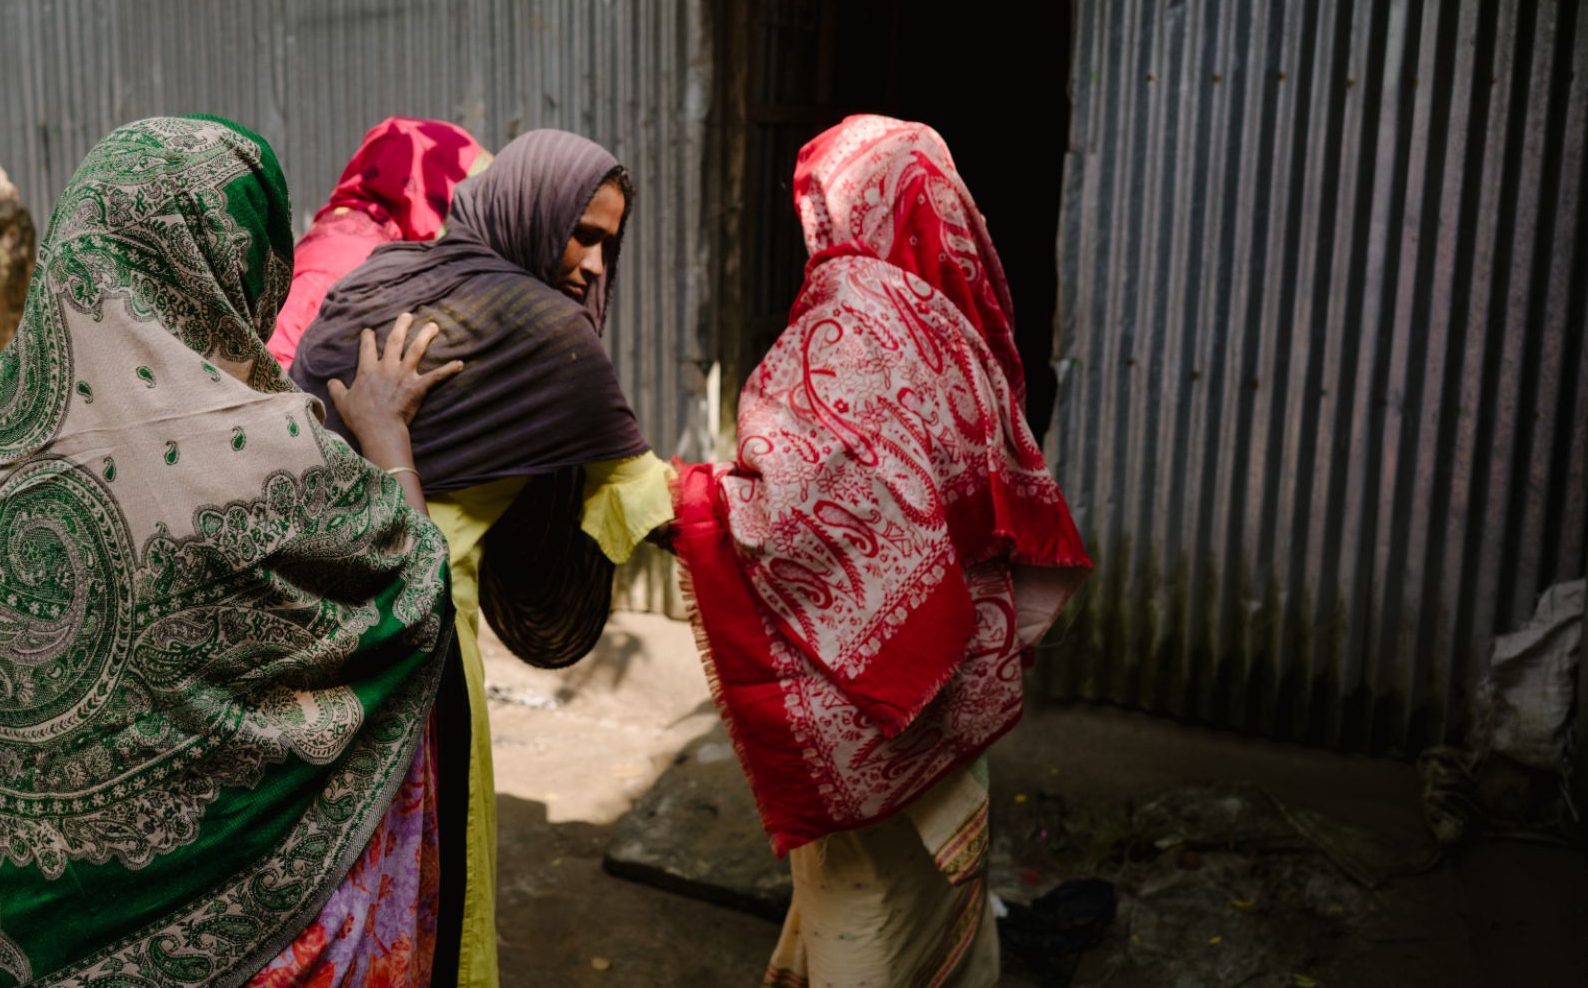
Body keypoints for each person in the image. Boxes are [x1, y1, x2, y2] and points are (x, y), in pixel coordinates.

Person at [0, 115, 467, 988]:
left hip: (15, 940)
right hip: (249, 945)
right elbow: (412, 588)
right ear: (243, 260)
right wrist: (385, 437)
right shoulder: (277, 454)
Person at [672, 115, 1093, 986]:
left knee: (862, 903)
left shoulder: (853, 310)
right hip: (958, 681)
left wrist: (690, 495)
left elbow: (789, 505)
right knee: (935, 898)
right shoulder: (963, 324)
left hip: (879, 699)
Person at [289, 129, 675, 988]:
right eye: (582, 232)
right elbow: (647, 503)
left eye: (609, 243)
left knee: (341, 889)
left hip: (302, 635)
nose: (593, 265)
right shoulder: (544, 332)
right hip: (422, 649)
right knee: (438, 881)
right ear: (530, 212)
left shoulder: (376, 279)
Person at [267, 117, 490, 367]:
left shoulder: (371, 237)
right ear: (428, 188)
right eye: (460, 194)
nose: (468, 212)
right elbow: (273, 365)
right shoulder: (344, 252)